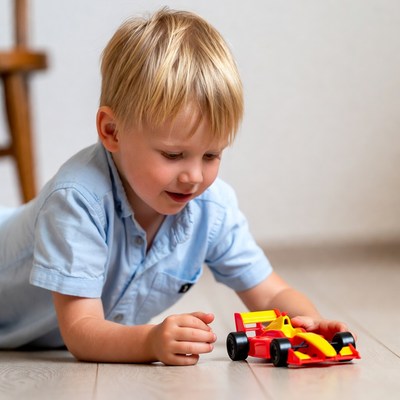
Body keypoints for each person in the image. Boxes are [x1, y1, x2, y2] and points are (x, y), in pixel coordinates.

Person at [0, 8, 349, 366]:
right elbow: (82, 331)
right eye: (173, 154)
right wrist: (150, 341)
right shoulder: (78, 200)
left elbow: (271, 291)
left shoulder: (212, 209)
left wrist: (306, 324)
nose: (194, 176)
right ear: (111, 132)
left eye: (211, 154)